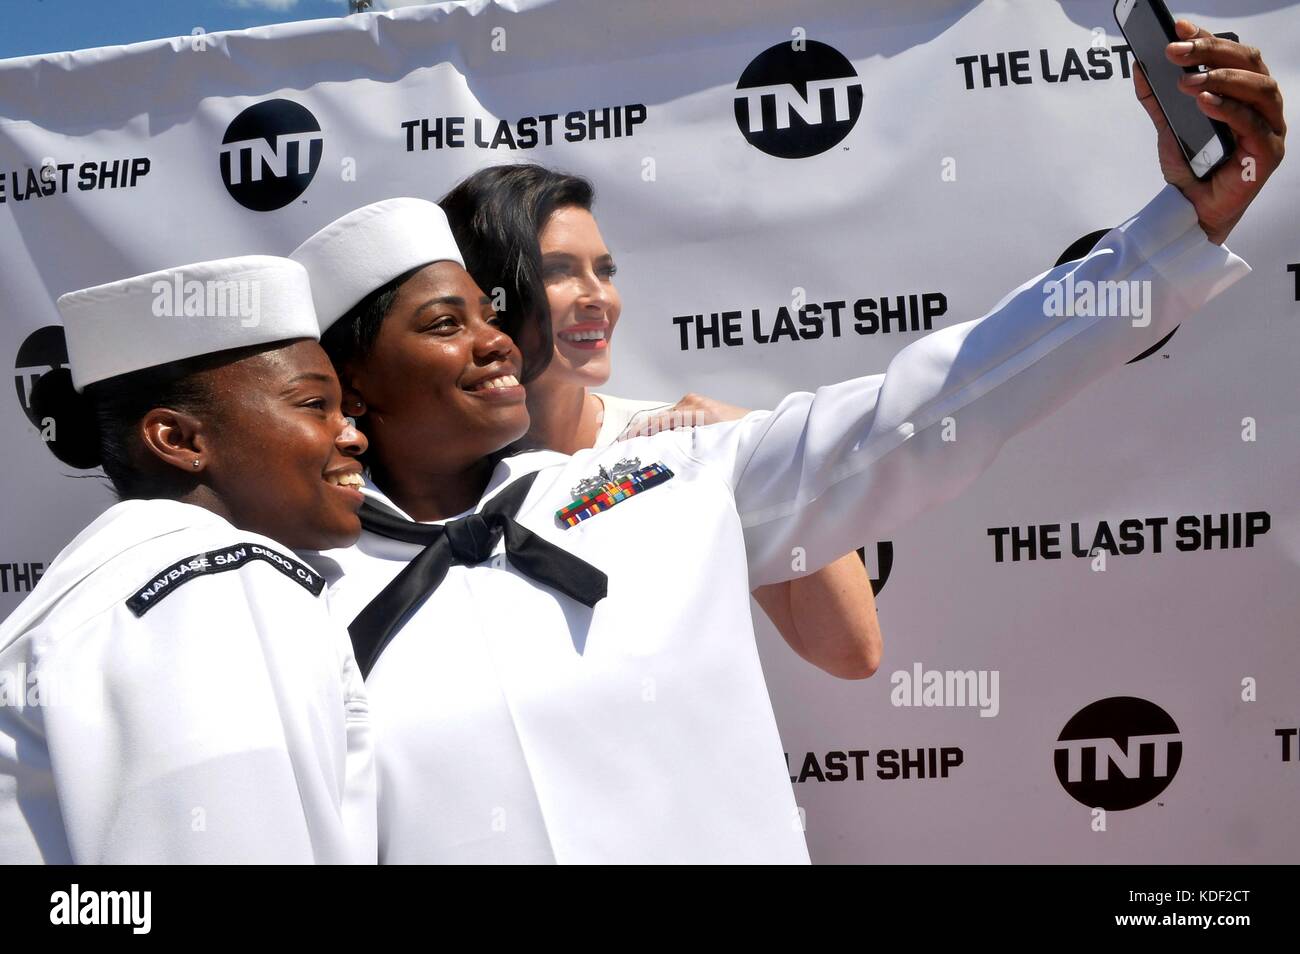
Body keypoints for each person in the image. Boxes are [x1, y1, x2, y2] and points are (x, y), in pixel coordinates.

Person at [292, 23, 1281, 863]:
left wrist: (1175, 229)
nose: (496, 340)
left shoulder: (668, 474)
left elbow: (940, 402)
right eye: (443, 324)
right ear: (356, 387)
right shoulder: (284, 597)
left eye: (487, 314)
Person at [0, 256, 377, 864]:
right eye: (313, 406)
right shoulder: (211, 581)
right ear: (179, 441)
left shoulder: (136, 576)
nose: (352, 435)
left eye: (345, 410)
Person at [439, 165, 881, 680]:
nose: (598, 297)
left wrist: (765, 441)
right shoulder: (427, 474)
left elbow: (849, 651)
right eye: (558, 271)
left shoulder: (682, 446)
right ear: (486, 298)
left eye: (604, 271)